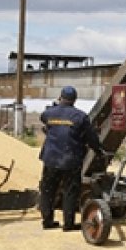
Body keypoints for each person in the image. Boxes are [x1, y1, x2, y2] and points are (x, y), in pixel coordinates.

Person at [38, 86, 106, 231]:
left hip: (51, 159)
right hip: (71, 160)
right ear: (74, 100)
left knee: (48, 190)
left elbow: (43, 119)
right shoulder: (80, 116)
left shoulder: (49, 113)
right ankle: (68, 224)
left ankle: (47, 221)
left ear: (60, 97)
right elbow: (91, 137)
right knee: (70, 191)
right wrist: (98, 150)